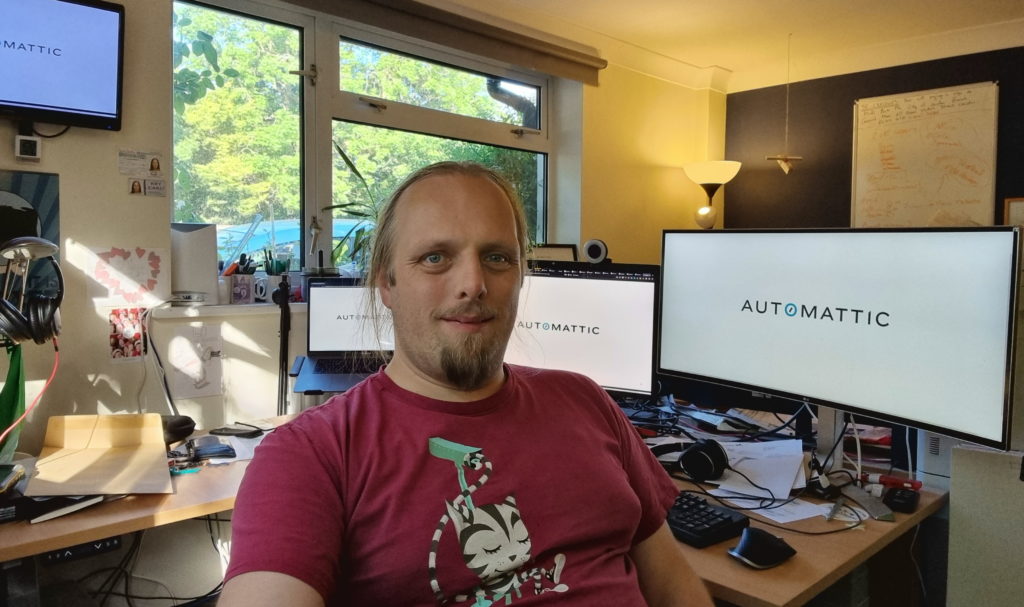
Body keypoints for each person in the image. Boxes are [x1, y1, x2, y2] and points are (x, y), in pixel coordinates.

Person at [219, 162, 714, 607]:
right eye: (435, 258)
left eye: (497, 257)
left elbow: (674, 586)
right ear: (386, 284)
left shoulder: (585, 401)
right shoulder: (310, 456)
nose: (473, 283)